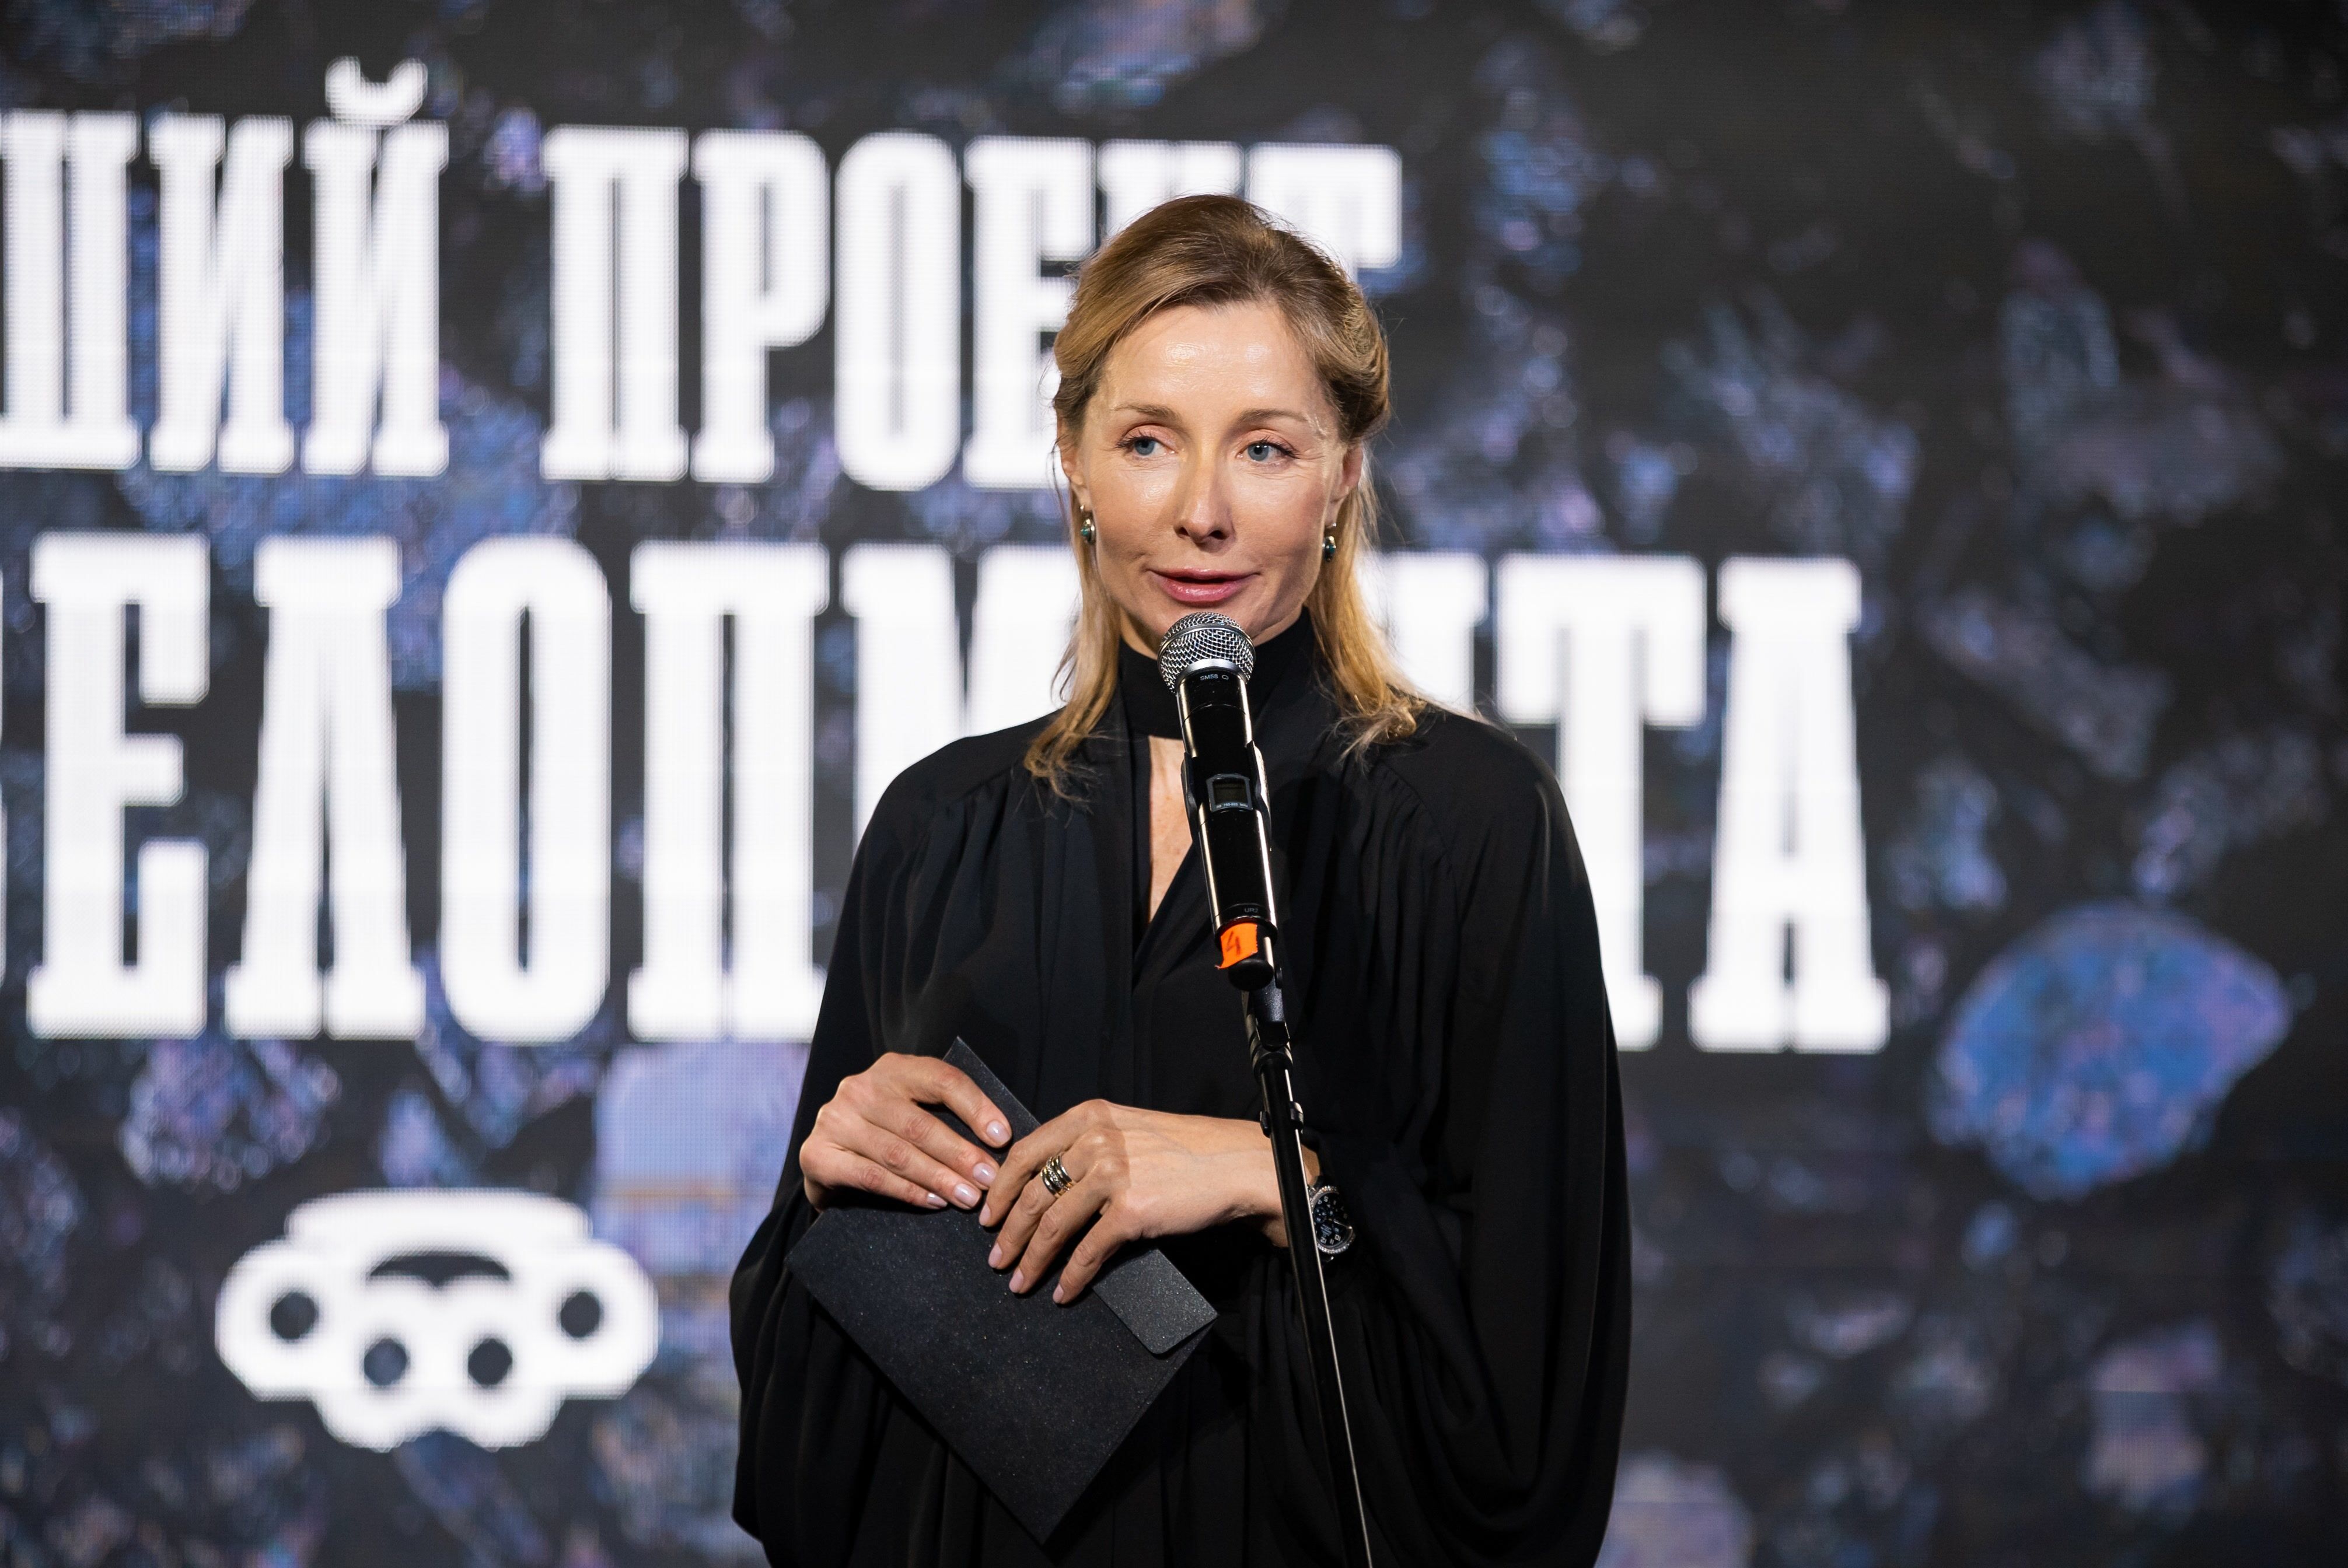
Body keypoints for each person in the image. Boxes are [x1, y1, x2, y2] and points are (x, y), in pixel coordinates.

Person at [731, 193, 1629, 1566]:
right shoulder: (939, 828)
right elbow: (803, 1433)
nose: (1200, 512)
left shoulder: (1471, 824)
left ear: (1341, 474)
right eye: (1147, 441)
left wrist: (1266, 1173)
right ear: (1075, 463)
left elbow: (1538, 1369)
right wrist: (832, 1181)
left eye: (1263, 448)